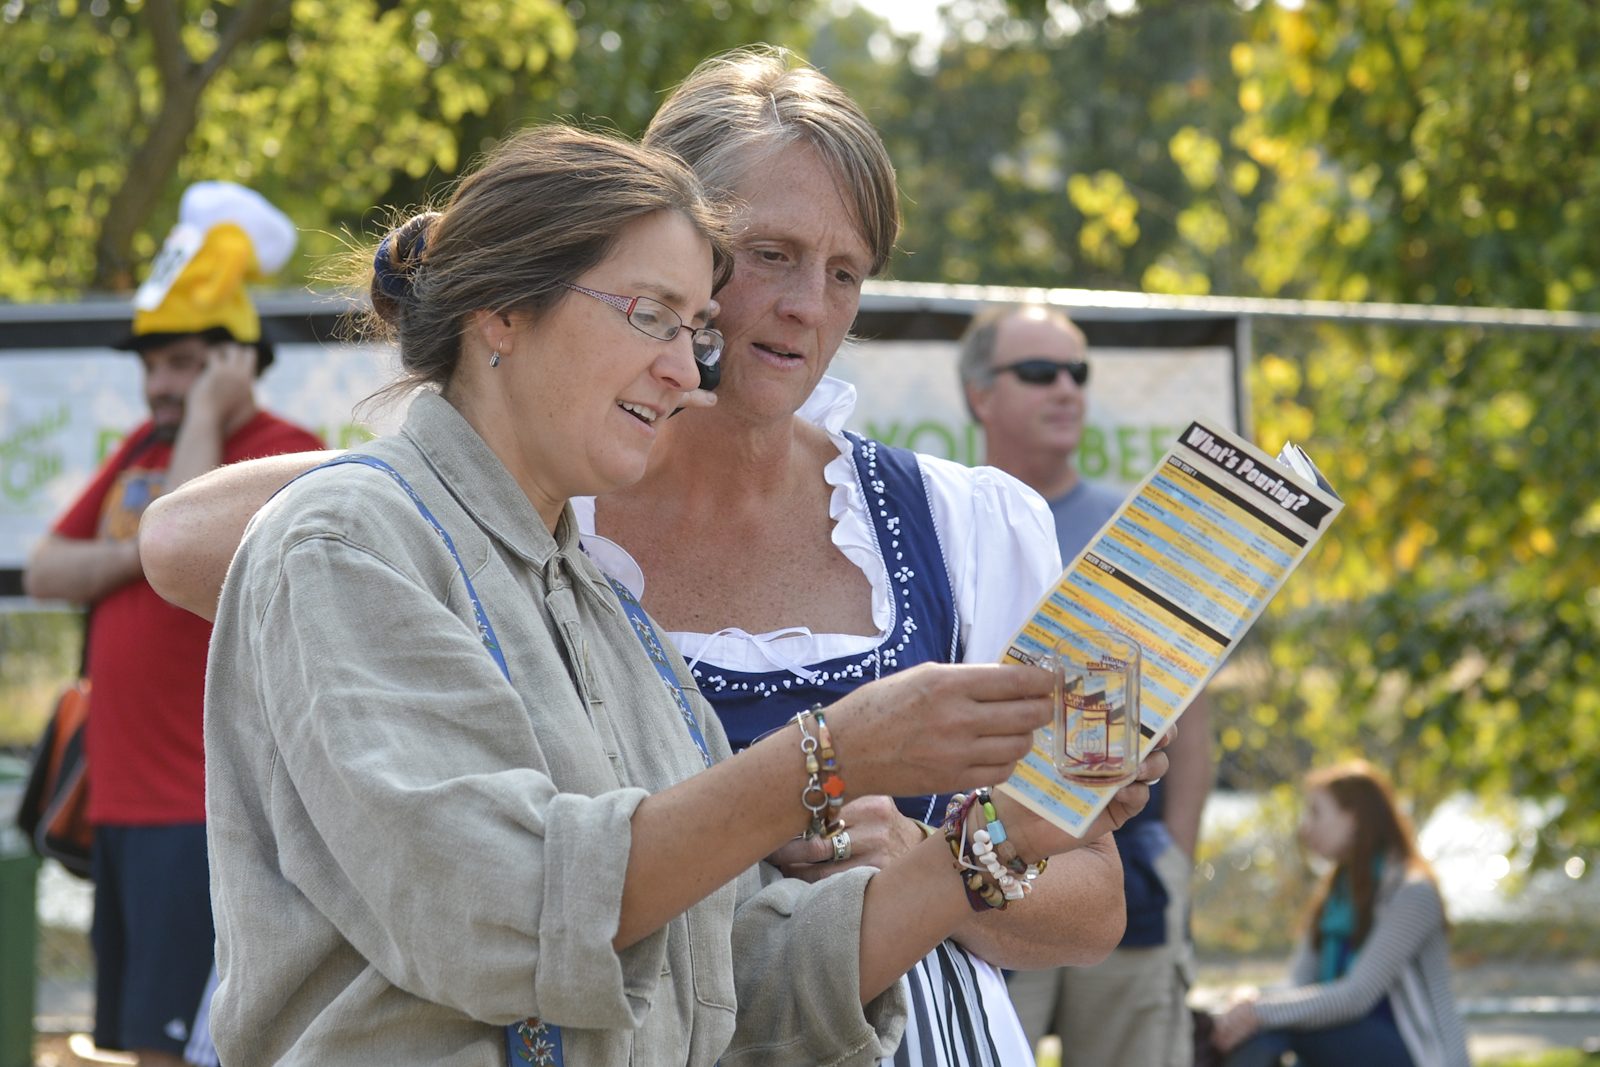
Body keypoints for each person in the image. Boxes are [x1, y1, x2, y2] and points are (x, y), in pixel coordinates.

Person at [141, 51, 1143, 1067]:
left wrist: (990, 840)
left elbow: (730, 982)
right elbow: (504, 912)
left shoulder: (608, 611)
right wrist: (829, 754)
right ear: (503, 312)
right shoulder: (357, 539)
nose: (684, 363)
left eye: (845, 273)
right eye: (655, 314)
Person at [21, 182, 322, 1065]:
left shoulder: (284, 451)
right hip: (119, 802)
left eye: (185, 364)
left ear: (236, 363)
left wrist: (201, 424)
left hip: (203, 809)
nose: (158, 384)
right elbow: (46, 569)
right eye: (152, 365)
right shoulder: (140, 452)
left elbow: (180, 543)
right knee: (135, 1047)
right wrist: (132, 551)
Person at [961, 303, 1214, 1067]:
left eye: (1078, 371)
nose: (1066, 389)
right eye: (1040, 372)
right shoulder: (946, 522)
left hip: (1130, 862)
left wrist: (1175, 860)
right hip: (980, 862)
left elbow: (1193, 721)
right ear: (980, 394)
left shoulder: (1135, 531)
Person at [1210, 761, 1469, 1067]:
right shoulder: (1335, 894)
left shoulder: (1413, 892)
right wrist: (1247, 998)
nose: (1305, 828)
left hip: (1416, 1053)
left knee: (1274, 1026)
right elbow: (1298, 985)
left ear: (1355, 818)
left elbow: (1355, 997)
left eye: (1316, 813)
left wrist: (1258, 1012)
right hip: (1353, 1044)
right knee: (1259, 1028)